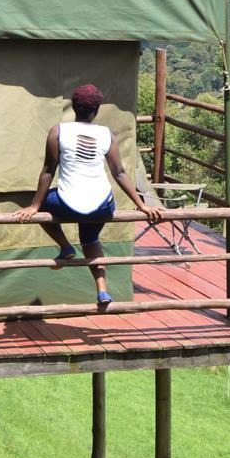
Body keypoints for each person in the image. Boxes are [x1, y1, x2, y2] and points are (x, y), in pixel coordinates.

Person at [14, 83, 163, 306]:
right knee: (90, 239)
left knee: (44, 203)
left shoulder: (58, 131)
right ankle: (102, 290)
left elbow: (48, 170)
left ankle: (65, 247)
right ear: (96, 110)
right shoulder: (106, 134)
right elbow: (120, 172)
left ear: (73, 107)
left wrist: (35, 206)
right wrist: (142, 205)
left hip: (68, 203)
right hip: (103, 204)